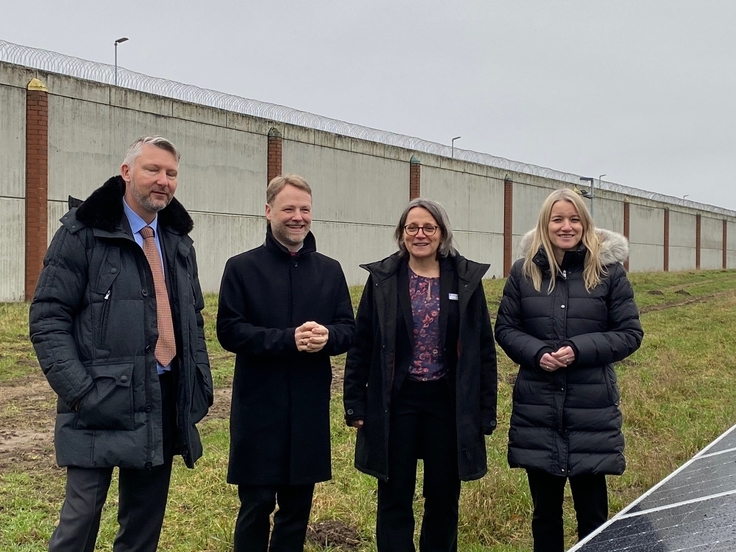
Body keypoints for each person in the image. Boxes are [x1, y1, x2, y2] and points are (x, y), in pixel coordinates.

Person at [29, 136, 213, 552]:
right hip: (98, 401)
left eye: (171, 173)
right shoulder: (81, 232)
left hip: (161, 398)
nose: (163, 181)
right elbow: (48, 318)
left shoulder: (178, 241)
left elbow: (192, 318)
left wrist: (197, 382)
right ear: (126, 172)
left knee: (143, 527)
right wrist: (81, 392)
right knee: (78, 525)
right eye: (153, 170)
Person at [343, 198, 497, 552]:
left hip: (447, 403)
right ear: (401, 234)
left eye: (429, 227)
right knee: (395, 496)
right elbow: (362, 342)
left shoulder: (465, 280)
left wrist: (485, 412)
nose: (420, 234)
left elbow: (482, 352)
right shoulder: (384, 280)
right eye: (412, 227)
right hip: (396, 402)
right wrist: (355, 404)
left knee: (443, 497)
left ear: (442, 233)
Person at [494, 188, 644, 552]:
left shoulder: (608, 273)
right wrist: (537, 354)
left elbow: (629, 333)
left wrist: (578, 349)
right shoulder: (523, 272)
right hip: (538, 409)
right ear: (545, 224)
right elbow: (506, 329)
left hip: (590, 409)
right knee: (545, 516)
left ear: (585, 223)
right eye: (558, 219)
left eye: (574, 219)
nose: (566, 226)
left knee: (593, 516)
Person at [217, 174, 355, 552]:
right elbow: (229, 331)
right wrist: (287, 339)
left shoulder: (329, 270)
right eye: (289, 208)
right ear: (268, 212)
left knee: (297, 509)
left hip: (308, 409)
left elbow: (348, 329)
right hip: (259, 407)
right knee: (256, 505)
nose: (298, 216)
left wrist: (328, 336)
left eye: (305, 209)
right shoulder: (241, 268)